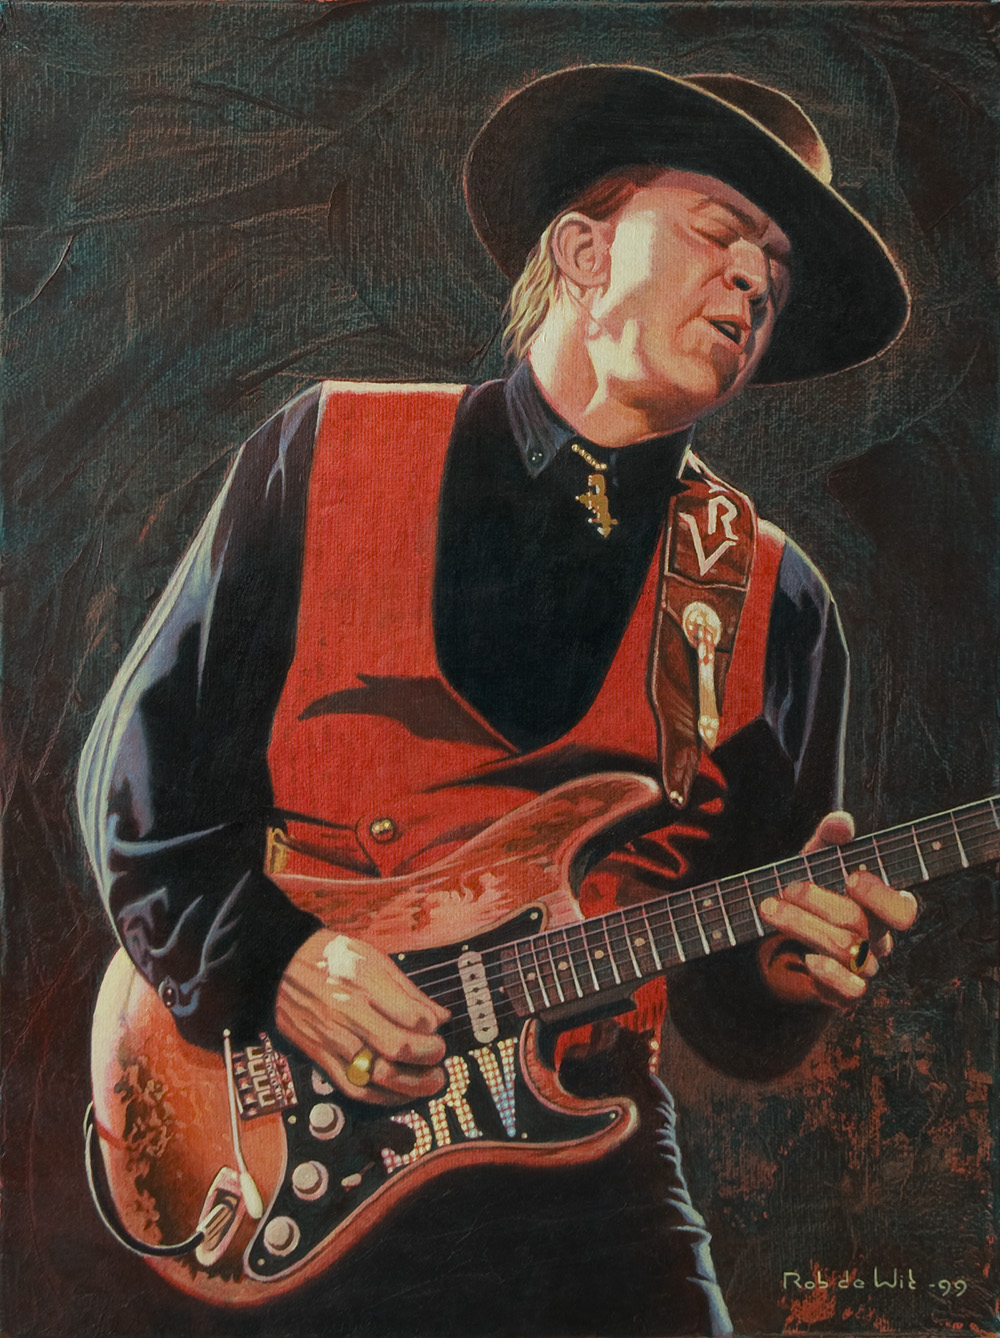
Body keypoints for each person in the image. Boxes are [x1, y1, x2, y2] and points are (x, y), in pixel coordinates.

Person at [79, 66, 918, 1336]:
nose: (755, 279)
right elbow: (145, 799)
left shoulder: (775, 600)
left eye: (776, 269)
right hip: (280, 1131)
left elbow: (732, 1016)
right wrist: (278, 962)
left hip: (582, 1172)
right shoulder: (326, 450)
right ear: (581, 251)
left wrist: (790, 974)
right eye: (719, 232)